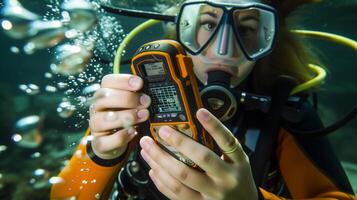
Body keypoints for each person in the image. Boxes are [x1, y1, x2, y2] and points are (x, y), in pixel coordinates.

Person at [51, 0, 356, 199]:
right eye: (209, 24)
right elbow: (66, 196)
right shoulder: (140, 97)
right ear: (183, 28)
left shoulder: (285, 114)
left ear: (269, 39)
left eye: (247, 29)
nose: (223, 50)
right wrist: (102, 155)